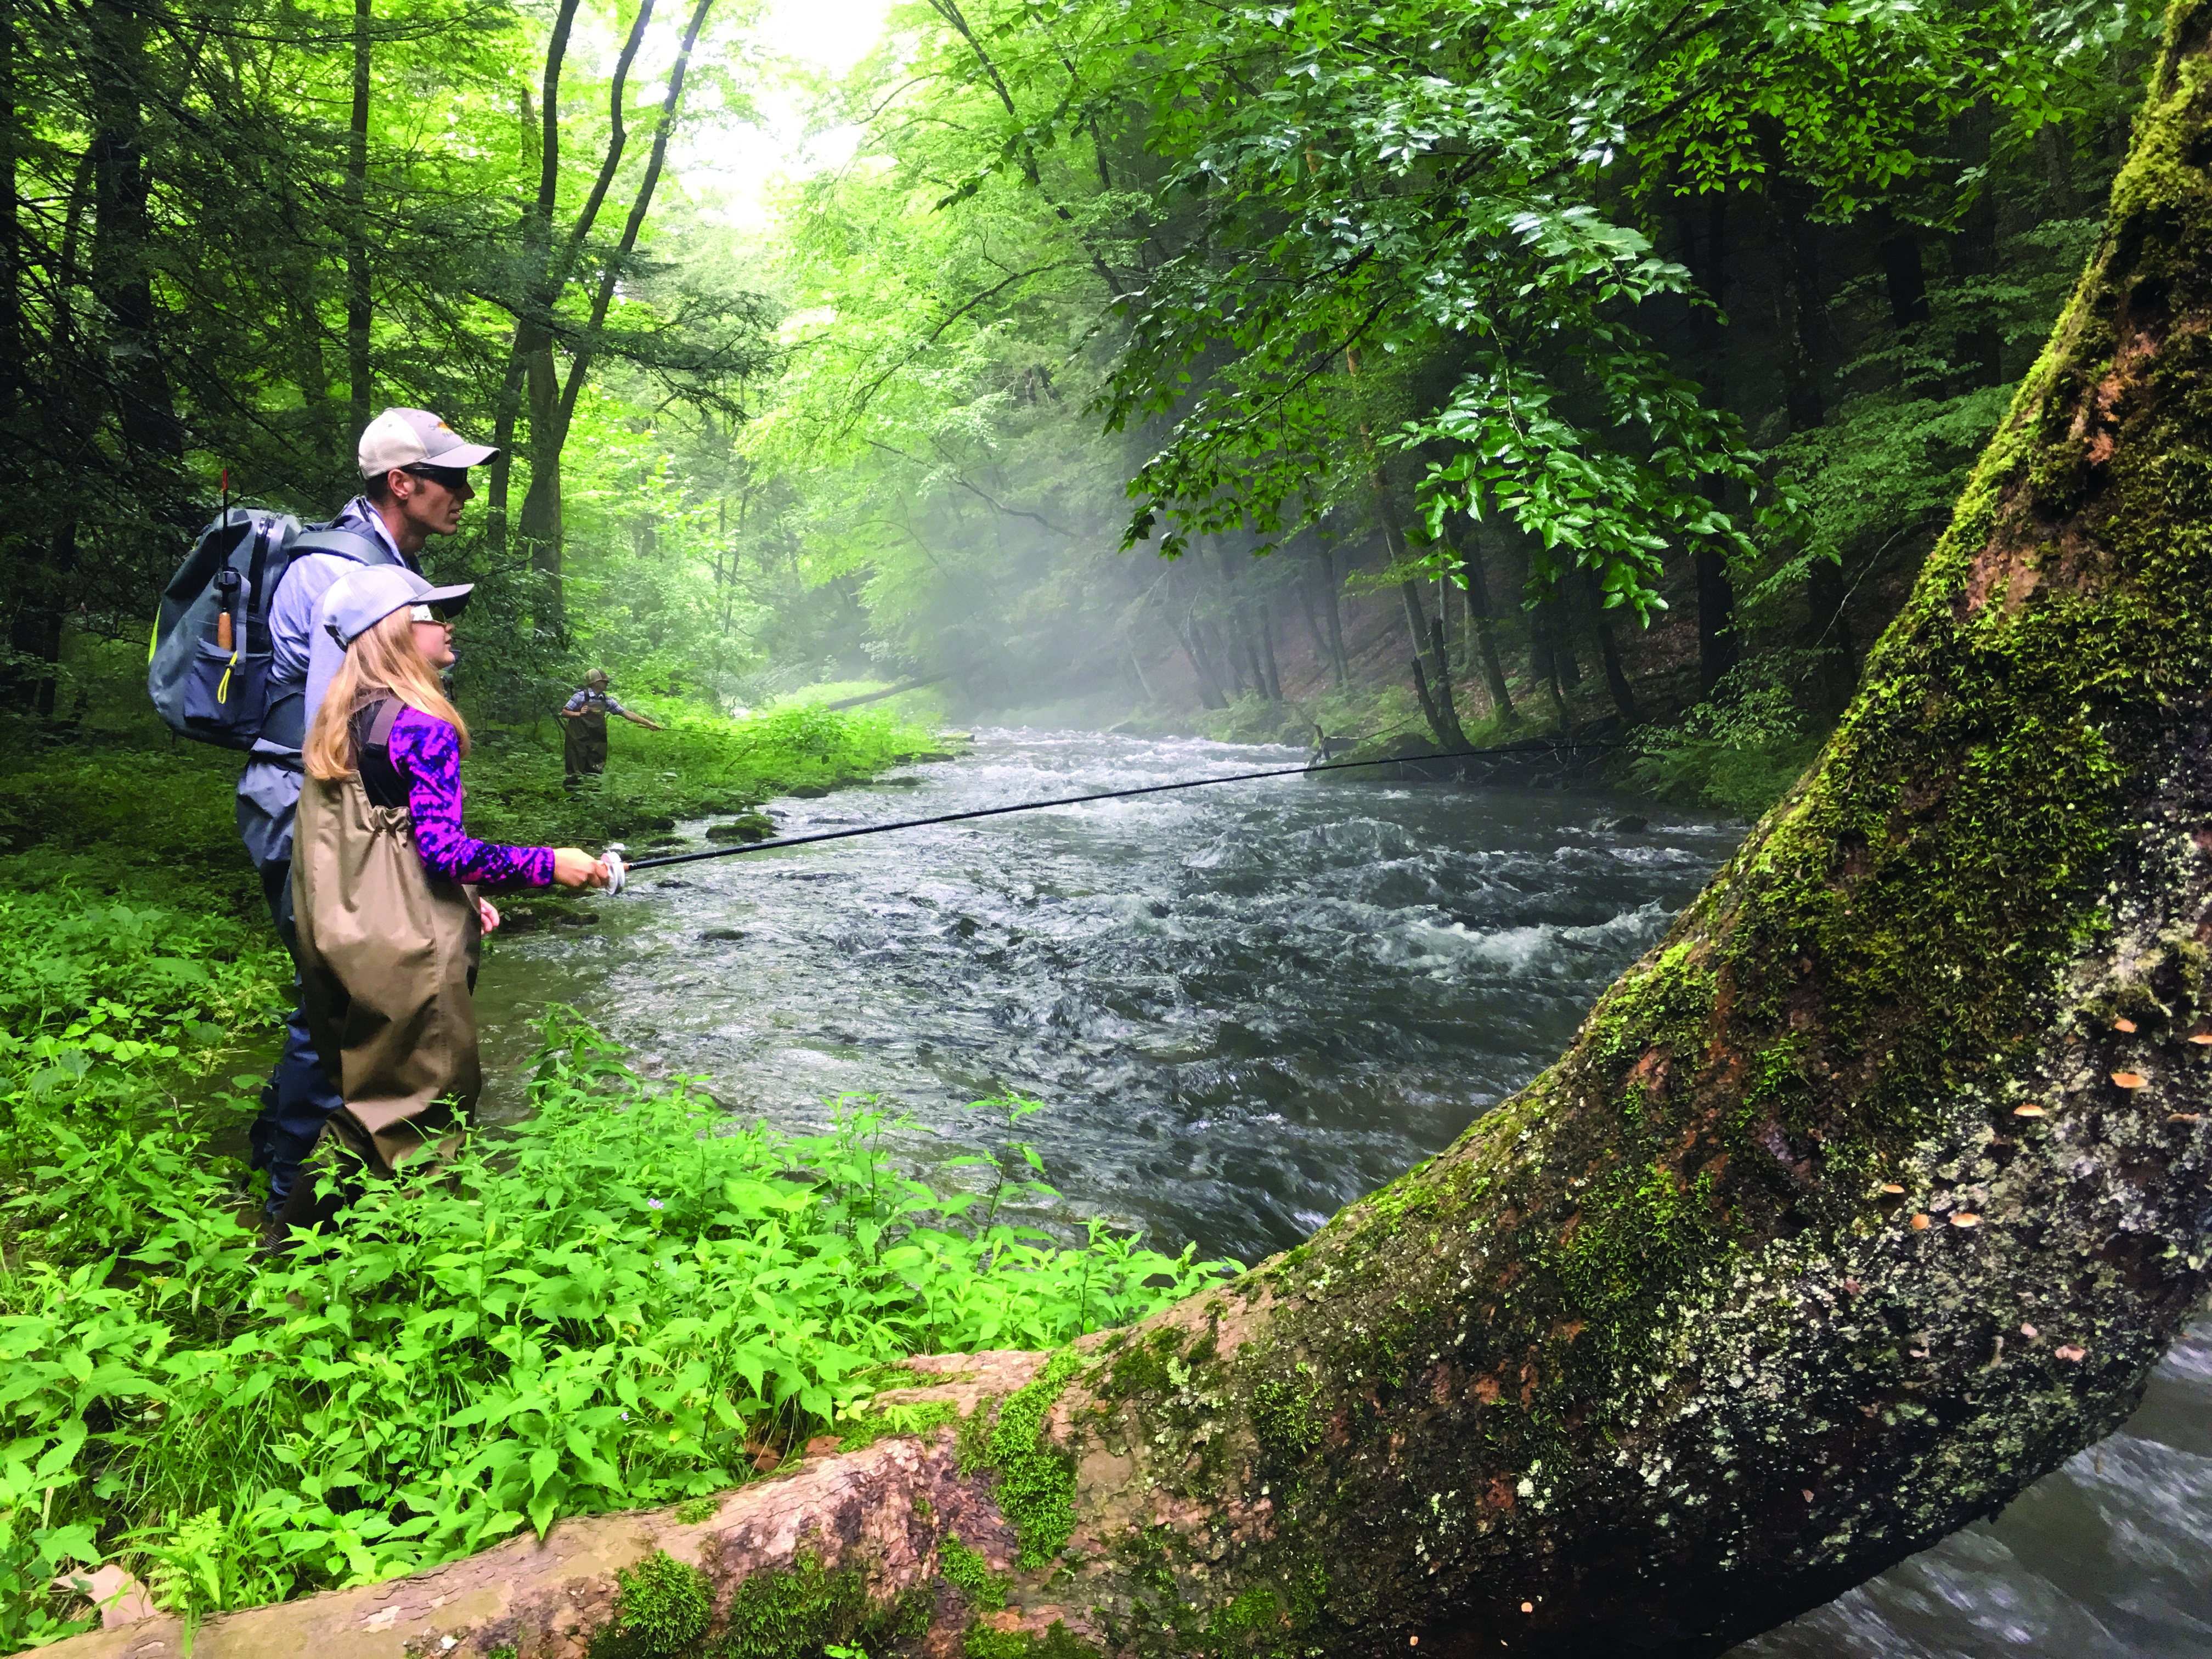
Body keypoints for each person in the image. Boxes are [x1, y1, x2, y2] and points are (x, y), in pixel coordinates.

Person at [283, 565, 608, 1225]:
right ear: (395, 630)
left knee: (363, 1108)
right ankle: (426, 1282)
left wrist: (461, 895)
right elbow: (442, 849)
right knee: (428, 1117)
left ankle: (285, 1254)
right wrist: (553, 865)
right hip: (404, 952)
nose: (446, 621)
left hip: (339, 939)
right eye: (430, 612)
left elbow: (376, 843)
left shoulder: (340, 718)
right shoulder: (421, 725)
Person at [238, 407, 498, 1221]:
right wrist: (439, 871)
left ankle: (297, 1167)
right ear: (401, 482)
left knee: (340, 998)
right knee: (351, 999)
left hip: (350, 815)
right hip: (317, 812)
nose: (464, 494)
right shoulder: (341, 576)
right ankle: (294, 1210)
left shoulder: (393, 570)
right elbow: (344, 753)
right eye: (450, 478)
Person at [558, 668, 663, 784]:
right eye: (604, 681)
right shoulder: (580, 697)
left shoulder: (607, 700)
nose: (607, 683)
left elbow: (627, 713)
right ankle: (575, 797)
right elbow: (565, 712)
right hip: (577, 739)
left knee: (596, 768)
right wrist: (578, 714)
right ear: (595, 682)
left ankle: (593, 794)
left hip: (597, 740)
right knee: (575, 767)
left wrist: (649, 724)